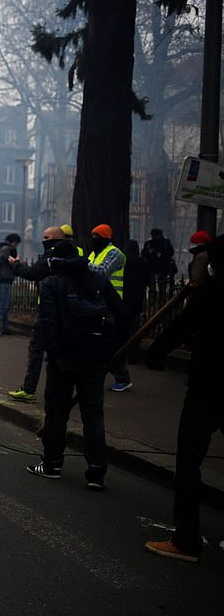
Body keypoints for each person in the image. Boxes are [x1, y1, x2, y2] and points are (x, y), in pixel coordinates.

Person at [143, 235, 223, 563]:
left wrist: (154, 354)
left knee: (188, 463)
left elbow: (179, 327)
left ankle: (186, 539)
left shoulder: (210, 293)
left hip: (208, 386)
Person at [26, 241, 123, 488]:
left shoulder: (52, 283)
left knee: (57, 411)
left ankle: (52, 464)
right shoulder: (98, 280)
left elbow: (48, 323)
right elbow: (120, 313)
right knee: (93, 413)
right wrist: (109, 350)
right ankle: (97, 471)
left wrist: (54, 353)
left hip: (64, 358)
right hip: (95, 358)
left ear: (55, 261)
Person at [6, 226, 64, 401]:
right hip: (64, 312)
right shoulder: (70, 257)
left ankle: (29, 389)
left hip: (47, 312)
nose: (43, 240)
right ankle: (58, 393)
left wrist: (16, 265)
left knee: (36, 350)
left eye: (47, 237)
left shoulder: (50, 258)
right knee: (57, 353)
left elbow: (33, 274)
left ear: (56, 239)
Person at [87, 224, 130, 391]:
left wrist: (80, 265)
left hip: (112, 304)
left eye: (97, 236)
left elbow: (102, 271)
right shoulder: (93, 254)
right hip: (96, 302)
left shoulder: (115, 254)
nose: (94, 239)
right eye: (92, 236)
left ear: (106, 238)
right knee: (96, 341)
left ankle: (122, 377)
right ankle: (94, 376)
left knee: (110, 342)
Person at [121, 240, 148, 364]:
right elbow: (147, 279)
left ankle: (121, 353)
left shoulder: (122, 260)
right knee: (135, 329)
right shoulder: (142, 262)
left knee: (122, 328)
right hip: (136, 299)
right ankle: (133, 354)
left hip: (123, 297)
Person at [141, 227, 176, 299]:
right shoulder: (149, 243)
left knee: (162, 283)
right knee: (152, 284)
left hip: (163, 266)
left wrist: (162, 254)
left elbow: (171, 253)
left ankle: (161, 299)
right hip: (152, 266)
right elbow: (143, 254)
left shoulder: (165, 242)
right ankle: (153, 299)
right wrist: (149, 252)